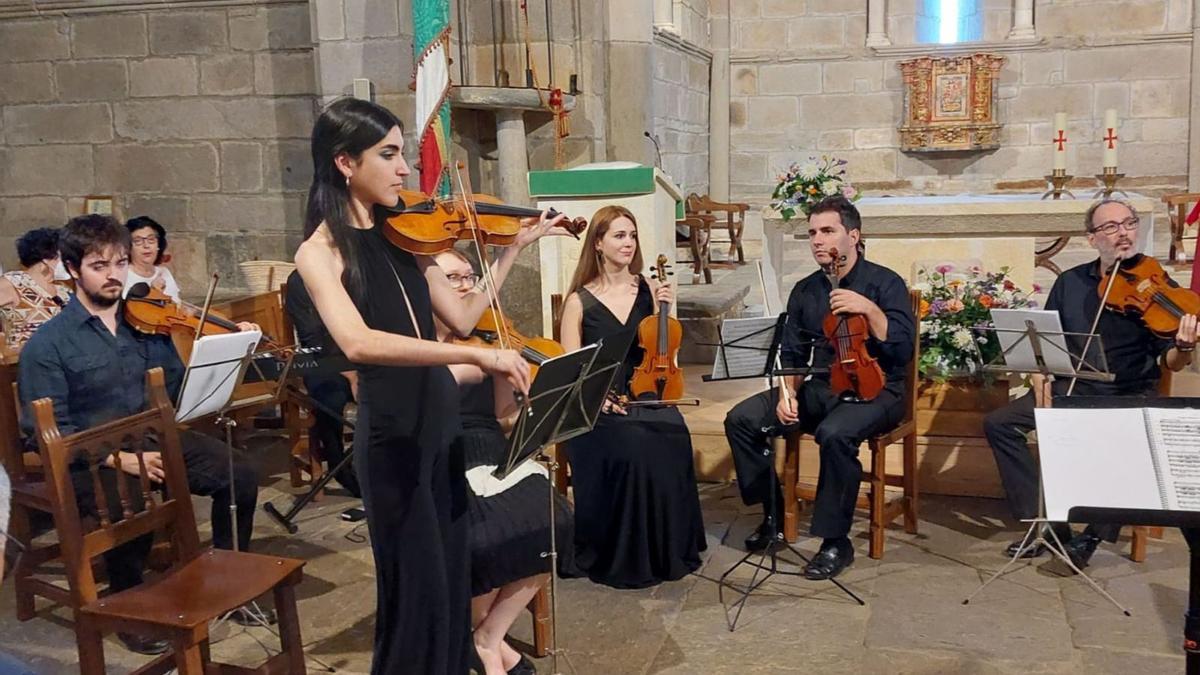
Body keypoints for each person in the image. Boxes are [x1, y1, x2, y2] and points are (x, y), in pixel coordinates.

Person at [293, 97, 563, 675]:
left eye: (402, 155)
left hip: (440, 427)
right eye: (388, 155)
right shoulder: (319, 252)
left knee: (448, 584)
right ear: (345, 162)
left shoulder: (403, 235)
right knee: (413, 595)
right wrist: (476, 356)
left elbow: (463, 317)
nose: (404, 170)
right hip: (394, 440)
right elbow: (361, 343)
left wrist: (513, 248)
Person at [17, 214, 264, 656]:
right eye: (99, 265)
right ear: (73, 270)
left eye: (119, 263)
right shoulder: (48, 344)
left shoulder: (144, 325)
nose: (114, 275)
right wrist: (120, 459)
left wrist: (221, 355)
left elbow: (173, 389)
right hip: (87, 458)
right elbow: (43, 433)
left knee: (239, 471)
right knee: (132, 494)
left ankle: (228, 576)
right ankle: (129, 606)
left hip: (151, 438)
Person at [984, 198, 1197, 568]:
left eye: (1128, 224)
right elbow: (1044, 338)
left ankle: (1092, 537)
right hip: (1072, 389)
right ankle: (1048, 524)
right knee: (999, 424)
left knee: (1129, 445)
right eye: (1110, 227)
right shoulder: (1070, 282)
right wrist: (1040, 379)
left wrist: (1183, 345)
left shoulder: (1160, 287)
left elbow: (1171, 363)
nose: (1123, 233)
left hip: (1126, 392)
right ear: (1092, 238)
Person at [724, 195, 914, 580]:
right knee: (740, 419)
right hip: (823, 386)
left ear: (853, 236)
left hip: (879, 389)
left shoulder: (885, 282)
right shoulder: (806, 290)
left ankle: (835, 541)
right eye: (812, 232)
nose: (816, 240)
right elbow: (791, 352)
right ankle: (774, 513)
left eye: (827, 231)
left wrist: (870, 309)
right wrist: (787, 394)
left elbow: (903, 349)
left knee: (834, 434)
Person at [432, 249, 575, 675]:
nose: (466, 286)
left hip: (489, 446)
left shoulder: (488, 340)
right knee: (485, 537)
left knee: (555, 518)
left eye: (470, 277)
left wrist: (531, 404)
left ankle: (487, 638)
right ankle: (483, 642)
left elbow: (502, 419)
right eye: (453, 278)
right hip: (441, 452)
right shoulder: (413, 348)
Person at [558, 204, 707, 589]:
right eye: (619, 235)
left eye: (632, 235)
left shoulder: (650, 290)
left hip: (645, 394)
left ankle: (668, 549)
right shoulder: (578, 301)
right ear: (598, 243)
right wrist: (599, 396)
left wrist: (664, 308)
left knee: (674, 433)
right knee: (634, 443)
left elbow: (664, 356)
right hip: (595, 405)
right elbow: (571, 370)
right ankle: (625, 555)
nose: (628, 243)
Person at [283, 269, 360, 497]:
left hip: (364, 355)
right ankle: (341, 469)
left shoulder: (360, 270)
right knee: (330, 398)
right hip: (322, 361)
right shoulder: (301, 278)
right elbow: (312, 339)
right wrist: (351, 374)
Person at [0, 227, 71, 353]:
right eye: (65, 256)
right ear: (47, 258)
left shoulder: (64, 290)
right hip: (26, 365)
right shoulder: (14, 283)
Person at [123, 216, 181, 303]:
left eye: (151, 239)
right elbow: (128, 310)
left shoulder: (164, 272)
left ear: (158, 245)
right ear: (128, 248)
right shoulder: (122, 275)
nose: (146, 245)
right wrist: (153, 292)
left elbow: (176, 306)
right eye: (138, 241)